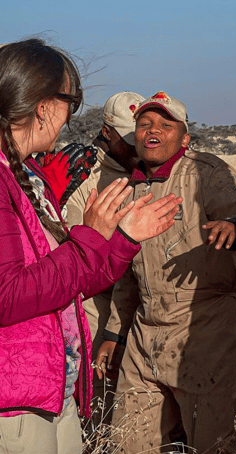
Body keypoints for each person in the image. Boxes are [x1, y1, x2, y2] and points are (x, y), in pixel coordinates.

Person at [0, 39, 180, 454]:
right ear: (42, 108)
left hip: (50, 389)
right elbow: (9, 295)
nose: (68, 116)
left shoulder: (26, 178)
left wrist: (121, 238)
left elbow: (70, 279)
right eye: (69, 103)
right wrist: (88, 238)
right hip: (14, 401)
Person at [104, 91, 236, 454]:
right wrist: (115, 333)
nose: (153, 131)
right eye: (146, 124)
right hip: (146, 329)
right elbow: (127, 275)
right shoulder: (127, 188)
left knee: (212, 449)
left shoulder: (206, 173)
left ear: (184, 139)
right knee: (129, 448)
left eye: (166, 126)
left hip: (206, 326)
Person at [66, 90, 145, 426]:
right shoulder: (82, 176)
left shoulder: (149, 170)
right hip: (97, 303)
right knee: (98, 394)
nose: (138, 145)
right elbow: (77, 255)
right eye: (129, 139)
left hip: (140, 302)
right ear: (108, 132)